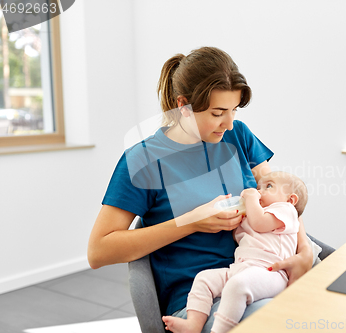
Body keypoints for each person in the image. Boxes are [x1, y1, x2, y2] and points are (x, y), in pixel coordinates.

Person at [87, 46, 313, 332]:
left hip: (262, 274)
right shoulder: (143, 160)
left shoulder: (237, 136)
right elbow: (98, 251)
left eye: (233, 110)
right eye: (218, 112)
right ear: (183, 105)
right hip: (201, 298)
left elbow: (280, 196)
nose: (229, 123)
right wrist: (191, 222)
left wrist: (303, 251)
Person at [162, 171, 308, 333]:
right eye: (258, 187)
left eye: (268, 186)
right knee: (204, 279)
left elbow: (259, 223)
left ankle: (218, 330)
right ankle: (193, 324)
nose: (259, 191)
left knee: (237, 286)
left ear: (291, 199)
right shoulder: (258, 212)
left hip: (270, 273)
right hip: (242, 269)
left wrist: (251, 199)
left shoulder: (286, 210)